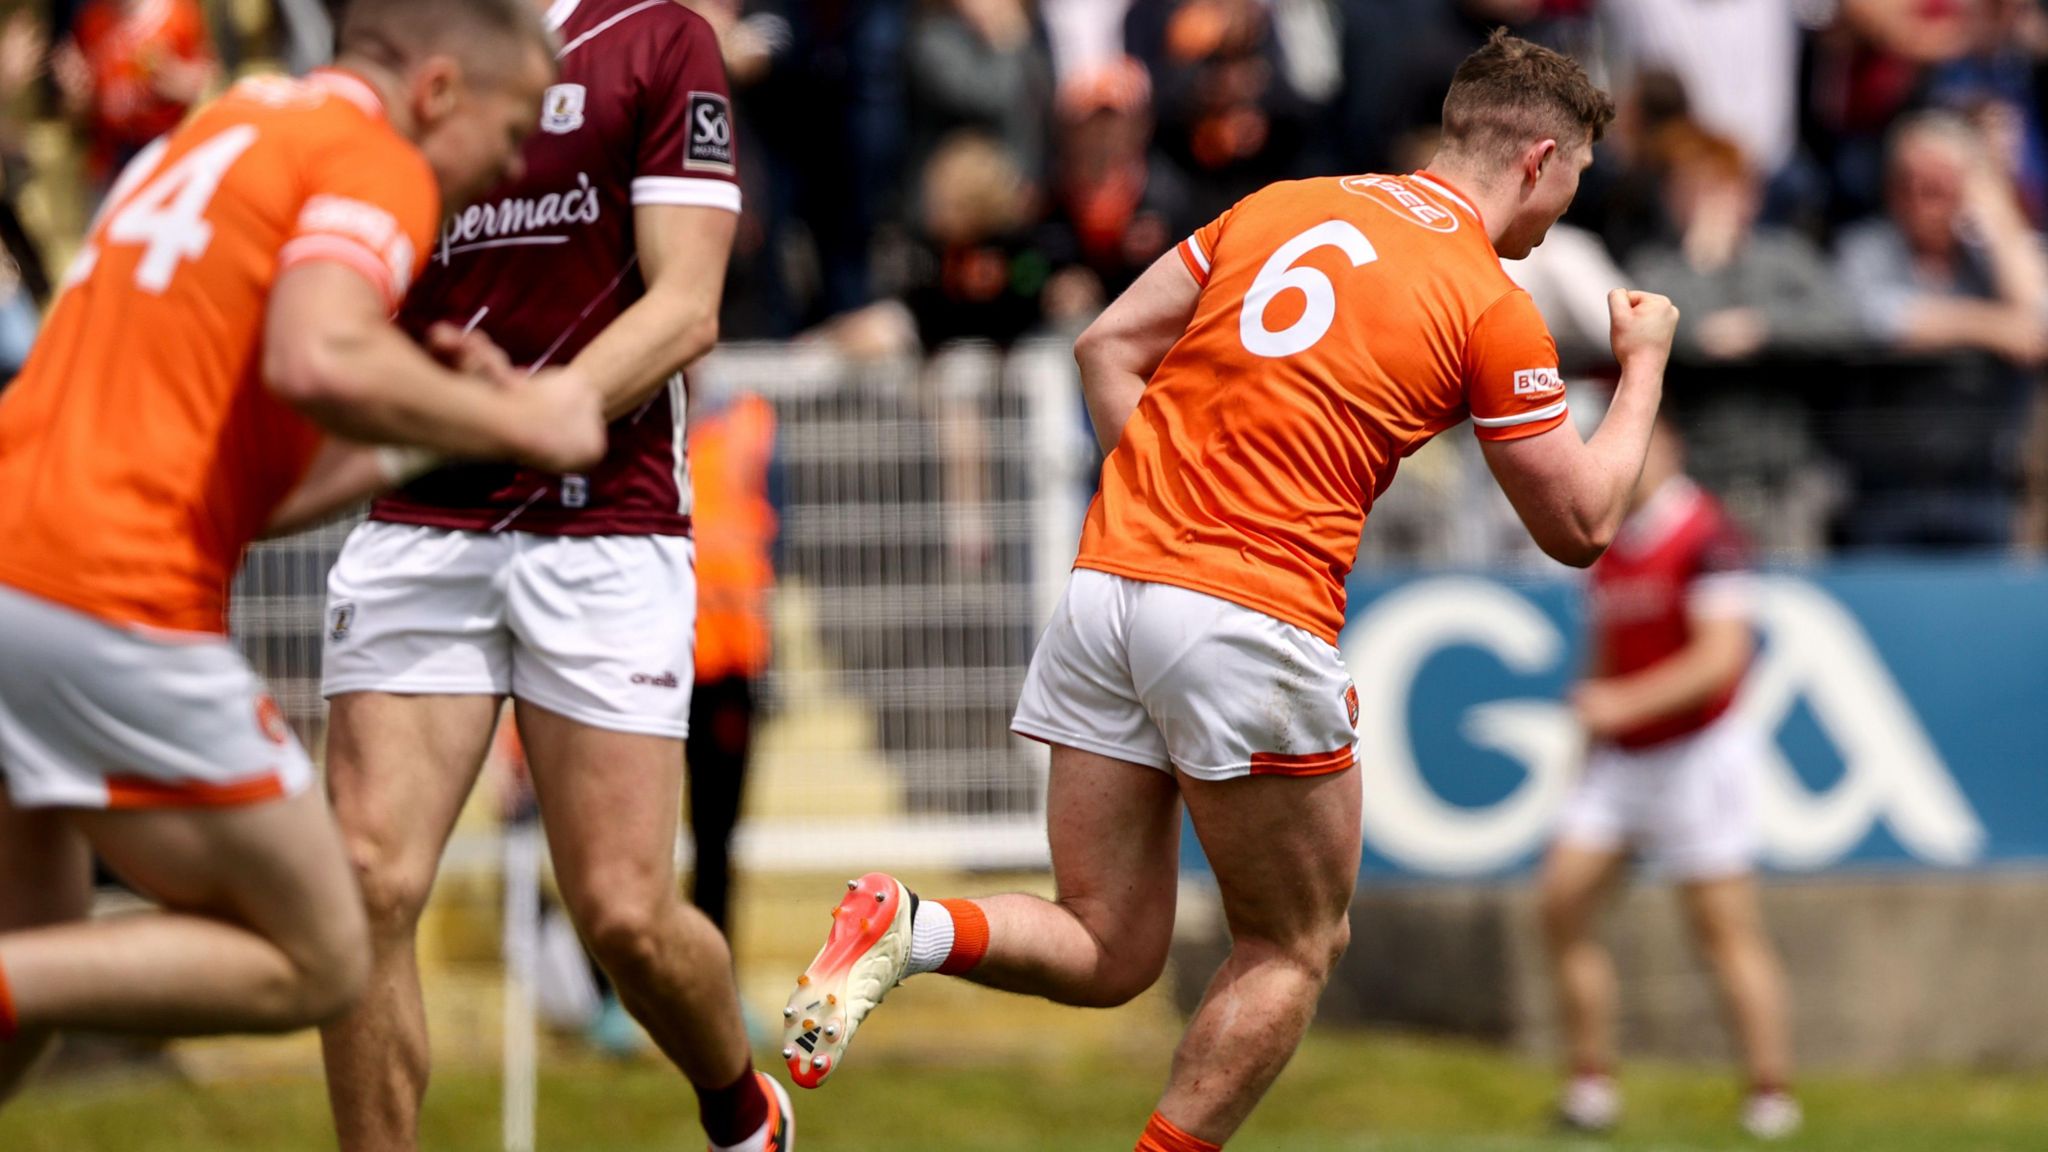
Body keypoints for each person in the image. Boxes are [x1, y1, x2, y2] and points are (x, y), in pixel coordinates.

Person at [782, 31, 1679, 1151]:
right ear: (1539, 158)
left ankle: (908, 927)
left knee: (1108, 946)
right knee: (1292, 946)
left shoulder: (1276, 206)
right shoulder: (1485, 299)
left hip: (1111, 585)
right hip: (1251, 610)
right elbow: (1583, 523)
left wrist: (1163, 496)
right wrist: (1641, 367)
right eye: (1576, 180)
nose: (1560, 213)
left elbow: (1106, 346)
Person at [0, 0, 590, 1106]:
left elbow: (253, 479)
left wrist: (416, 432)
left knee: (26, 994)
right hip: (105, 592)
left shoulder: (230, 124)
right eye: (512, 134)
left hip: (16, 560)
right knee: (322, 952)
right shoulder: (375, 158)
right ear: (437, 94)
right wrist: (530, 422)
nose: (510, 173)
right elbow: (321, 351)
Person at [306, 0, 785, 1148]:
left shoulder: (659, 36)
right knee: (363, 888)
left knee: (623, 916)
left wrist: (527, 412)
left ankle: (741, 1112)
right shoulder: (401, 35)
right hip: (424, 516)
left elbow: (685, 305)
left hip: (605, 527)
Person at [1541, 417, 1800, 1141]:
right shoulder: (1607, 540)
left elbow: (1722, 658)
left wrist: (1623, 702)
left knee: (1722, 928)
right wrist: (1591, 738)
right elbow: (1606, 650)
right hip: (1622, 759)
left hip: (1698, 753)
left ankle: (1770, 1091)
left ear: (1673, 446)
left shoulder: (1709, 536)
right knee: (1561, 903)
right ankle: (1590, 1084)